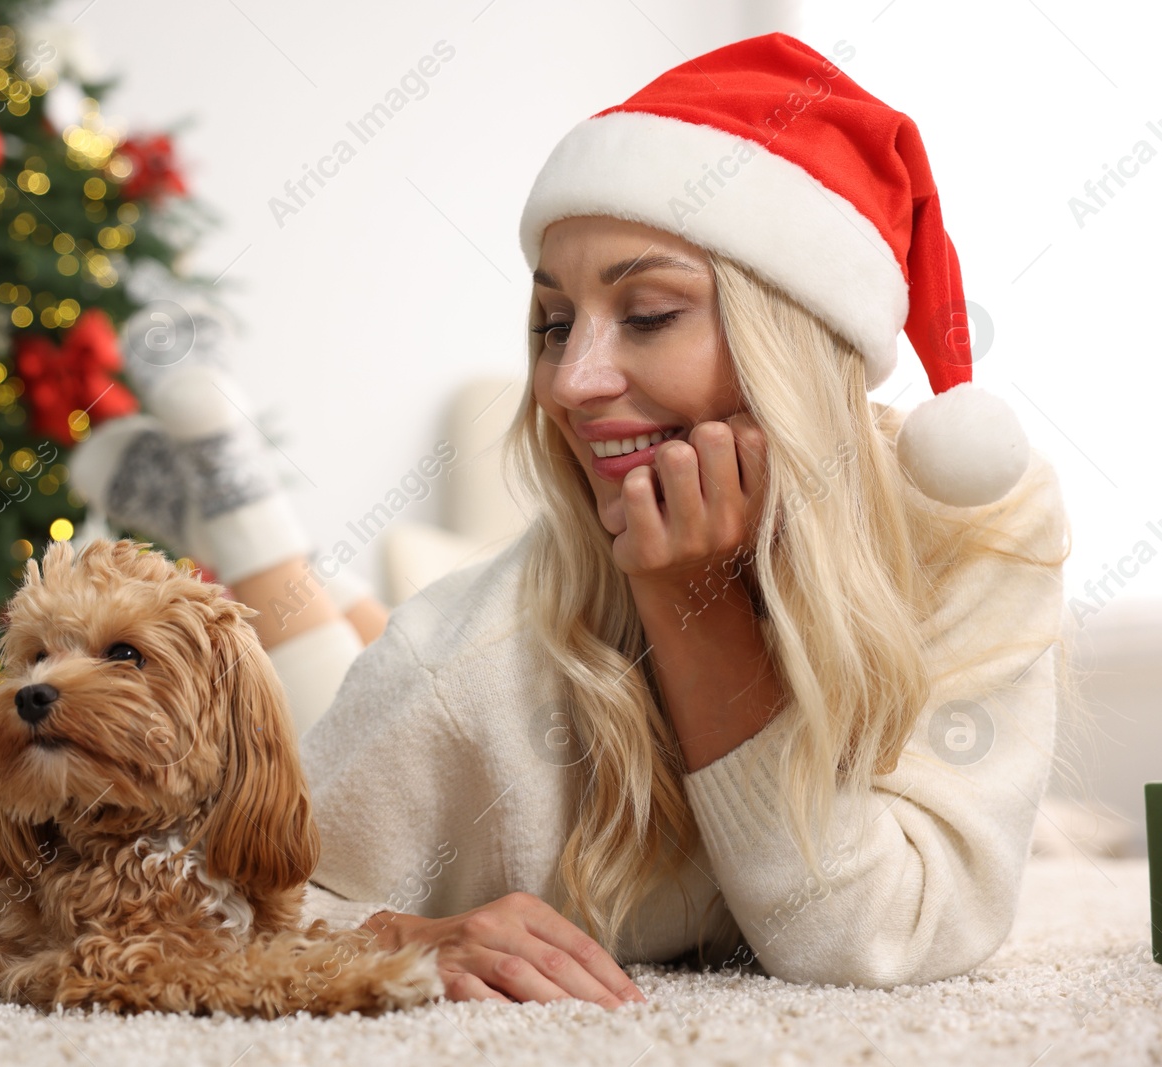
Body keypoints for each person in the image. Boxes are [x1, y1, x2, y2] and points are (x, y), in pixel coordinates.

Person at [72, 32, 1073, 1007]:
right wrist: (404, 933)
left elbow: (871, 933)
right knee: (332, 683)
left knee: (357, 645)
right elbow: (231, 892)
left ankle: (244, 522)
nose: (570, 382)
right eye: (552, 325)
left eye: (645, 315)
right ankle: (249, 532)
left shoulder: (975, 523)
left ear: (793, 342)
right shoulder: (462, 653)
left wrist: (692, 604)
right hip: (424, 657)